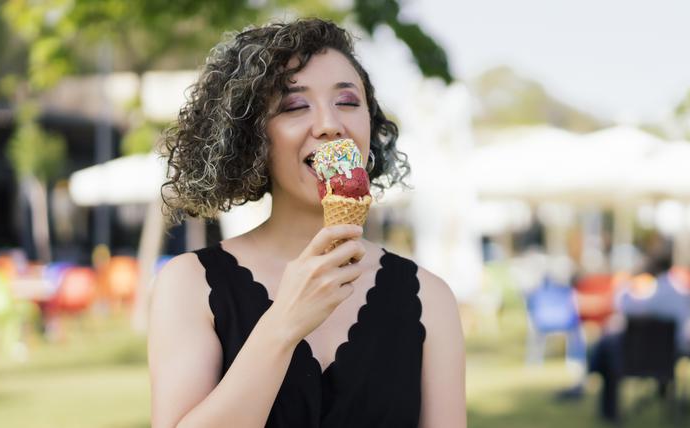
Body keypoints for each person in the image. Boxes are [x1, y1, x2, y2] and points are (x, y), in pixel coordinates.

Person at [147, 19, 466, 428]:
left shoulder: (430, 299)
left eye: (348, 102)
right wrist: (284, 324)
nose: (330, 124)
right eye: (295, 106)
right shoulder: (189, 284)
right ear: (252, 138)